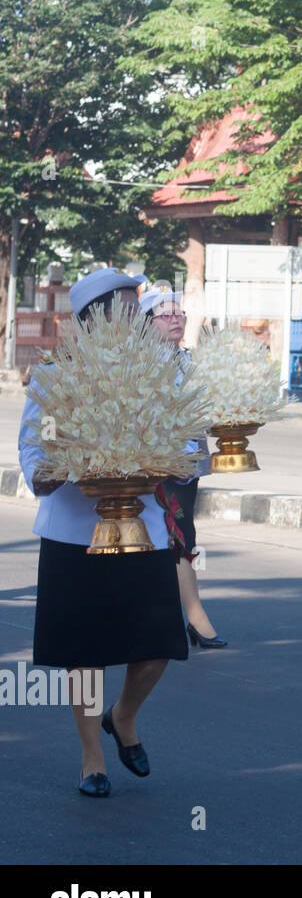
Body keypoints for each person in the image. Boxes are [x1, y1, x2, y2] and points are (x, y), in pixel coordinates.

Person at [19, 268, 190, 797]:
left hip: (145, 532)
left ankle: (124, 715)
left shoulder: (163, 373)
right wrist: (50, 471)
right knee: (85, 650)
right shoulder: (55, 374)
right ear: (97, 317)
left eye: (137, 307)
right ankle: (92, 755)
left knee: (158, 645)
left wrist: (178, 462)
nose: (138, 315)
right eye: (126, 306)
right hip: (75, 535)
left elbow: (187, 446)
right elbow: (37, 446)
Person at [140, 289, 226, 650]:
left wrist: (204, 449)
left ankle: (185, 618)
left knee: (183, 536)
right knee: (170, 539)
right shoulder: (140, 364)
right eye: (166, 315)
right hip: (157, 467)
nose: (176, 320)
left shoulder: (186, 362)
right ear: (148, 323)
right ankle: (193, 617)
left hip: (187, 466)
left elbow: (199, 413)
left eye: (180, 314)